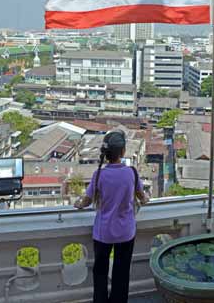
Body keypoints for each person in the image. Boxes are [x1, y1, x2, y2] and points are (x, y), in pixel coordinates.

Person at [74, 129, 148, 303]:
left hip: (103, 232)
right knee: (121, 273)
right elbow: (142, 198)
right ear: (123, 152)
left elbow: (86, 201)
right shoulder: (131, 173)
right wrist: (147, 199)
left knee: (100, 272)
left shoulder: (99, 174)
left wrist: (77, 204)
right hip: (125, 232)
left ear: (106, 153)